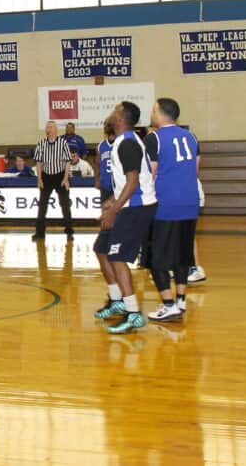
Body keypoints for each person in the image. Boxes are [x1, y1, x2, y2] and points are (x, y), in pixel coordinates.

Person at [94, 101, 157, 334]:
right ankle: (117, 299)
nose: (110, 114)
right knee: (101, 248)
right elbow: (125, 183)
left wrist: (114, 209)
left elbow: (133, 183)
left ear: (120, 119)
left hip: (136, 206)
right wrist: (110, 202)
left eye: (115, 110)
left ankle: (133, 314)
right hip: (126, 203)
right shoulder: (121, 141)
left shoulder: (128, 144)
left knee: (117, 257)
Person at [144, 98, 200, 322]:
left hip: (165, 205)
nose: (151, 112)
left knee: (156, 258)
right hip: (190, 202)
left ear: (160, 113)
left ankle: (168, 304)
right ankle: (180, 300)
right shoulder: (191, 136)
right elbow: (195, 169)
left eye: (153, 109)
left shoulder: (154, 138)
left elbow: (151, 173)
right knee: (182, 255)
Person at [92, 118, 120, 316]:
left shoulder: (123, 144)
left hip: (119, 196)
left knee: (110, 250)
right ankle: (118, 297)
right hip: (107, 192)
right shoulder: (101, 146)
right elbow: (98, 164)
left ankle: (121, 299)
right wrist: (97, 178)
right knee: (104, 248)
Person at [32, 121, 73, 241]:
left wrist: (65, 179)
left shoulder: (62, 142)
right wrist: (39, 179)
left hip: (60, 175)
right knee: (42, 205)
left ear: (55, 130)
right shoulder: (41, 143)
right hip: (46, 176)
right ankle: (40, 232)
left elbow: (67, 162)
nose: (48, 129)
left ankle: (69, 231)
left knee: (65, 204)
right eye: (47, 127)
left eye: (50, 127)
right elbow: (39, 163)